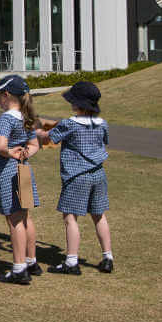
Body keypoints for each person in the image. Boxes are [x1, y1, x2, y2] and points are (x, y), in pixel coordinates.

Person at [34, 81, 115, 275]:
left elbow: (47, 138)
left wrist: (35, 129)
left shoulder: (69, 123)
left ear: (77, 103)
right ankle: (107, 257)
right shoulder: (102, 123)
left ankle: (71, 261)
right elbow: (103, 140)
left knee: (70, 217)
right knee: (99, 215)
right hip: (98, 174)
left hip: (76, 176)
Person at [0, 75, 42, 285]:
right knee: (26, 217)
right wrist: (23, 155)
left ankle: (19, 268)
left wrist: (11, 153)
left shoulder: (6, 119)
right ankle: (31, 260)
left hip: (7, 173)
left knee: (14, 220)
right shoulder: (24, 117)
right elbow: (35, 145)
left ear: (6, 95)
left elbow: (0, 146)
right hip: (23, 171)